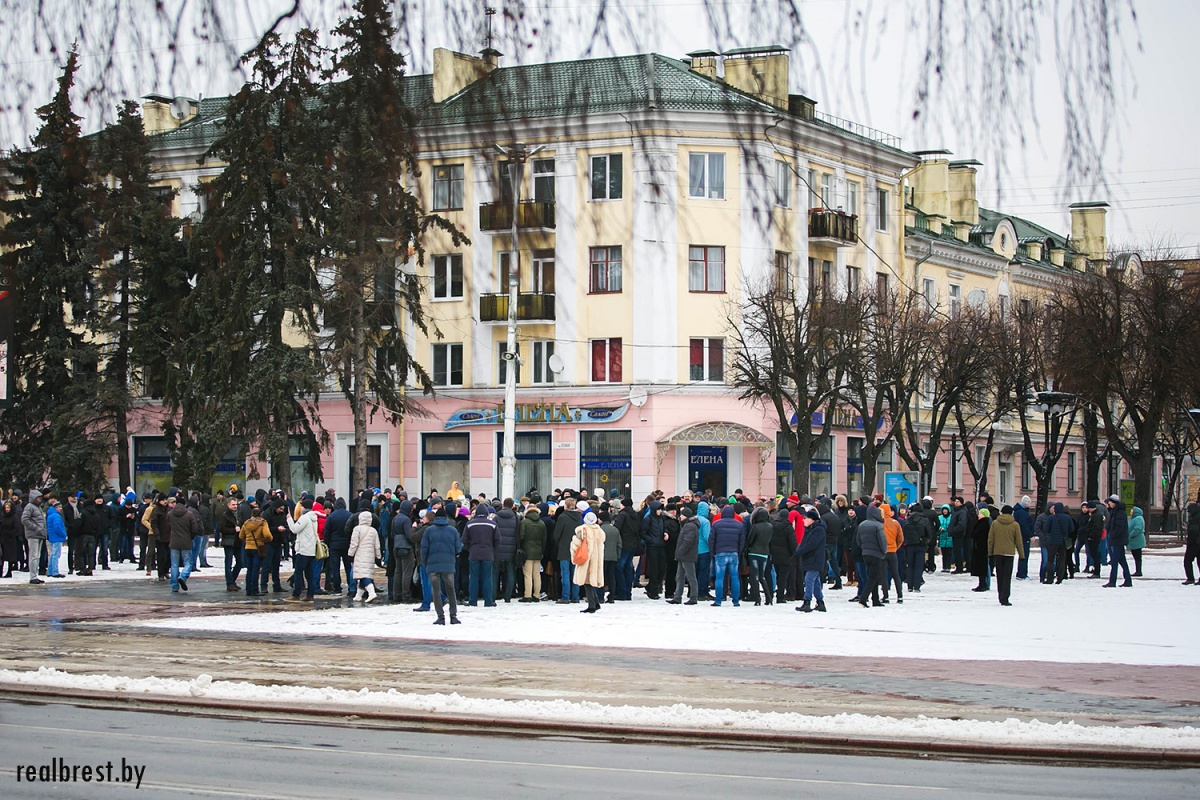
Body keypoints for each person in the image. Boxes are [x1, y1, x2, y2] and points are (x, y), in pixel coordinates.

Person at [422, 506, 462, 625]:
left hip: (432, 565)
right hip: (448, 565)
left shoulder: (428, 531)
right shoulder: (453, 530)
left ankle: (440, 617)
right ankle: (453, 616)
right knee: (451, 590)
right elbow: (458, 548)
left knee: (436, 591)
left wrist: (426, 563)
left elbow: (424, 549)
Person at [286, 498, 322, 602]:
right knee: (309, 574)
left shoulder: (304, 518)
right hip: (311, 549)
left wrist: (289, 518)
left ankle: (296, 594)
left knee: (298, 572)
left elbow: (294, 529)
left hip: (303, 549)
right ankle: (310, 595)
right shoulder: (313, 517)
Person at [570, 511, 606, 613]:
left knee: (587, 582)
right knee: (591, 581)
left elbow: (575, 544)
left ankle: (592, 605)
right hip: (596, 559)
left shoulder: (582, 530)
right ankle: (596, 602)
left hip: (585, 558)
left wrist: (573, 557)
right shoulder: (599, 531)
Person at [463, 504, 499, 607]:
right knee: (487, 578)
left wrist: (469, 549)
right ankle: (488, 601)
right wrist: (492, 550)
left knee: (474, 578)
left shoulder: (470, 524)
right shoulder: (492, 524)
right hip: (488, 553)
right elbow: (498, 539)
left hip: (474, 553)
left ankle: (472, 600)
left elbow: (464, 540)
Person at [708, 504, 744, 606]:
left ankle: (718, 600)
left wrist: (713, 553)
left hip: (720, 553)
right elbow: (742, 542)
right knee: (734, 577)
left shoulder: (716, 524)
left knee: (719, 578)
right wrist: (738, 552)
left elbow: (711, 540)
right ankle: (736, 601)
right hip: (734, 553)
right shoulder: (739, 525)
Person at [988, 505, 1024, 606]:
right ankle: (1005, 597)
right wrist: (1021, 555)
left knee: (1000, 575)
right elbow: (1018, 541)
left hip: (997, 552)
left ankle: (1000, 595)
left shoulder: (995, 523)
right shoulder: (1015, 525)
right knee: (1007, 576)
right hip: (1009, 553)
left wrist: (990, 552)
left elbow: (991, 539)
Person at [166, 495, 200, 593]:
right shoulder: (189, 514)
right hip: (186, 541)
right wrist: (191, 537)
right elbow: (194, 529)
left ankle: (174, 585)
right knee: (188, 562)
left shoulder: (170, 514)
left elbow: (168, 525)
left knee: (174, 565)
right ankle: (183, 576)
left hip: (174, 541)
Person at [795, 508, 827, 613]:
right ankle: (820, 602)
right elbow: (803, 542)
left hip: (815, 559)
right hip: (810, 558)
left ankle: (807, 601)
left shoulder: (819, 530)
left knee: (809, 579)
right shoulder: (809, 529)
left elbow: (811, 544)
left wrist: (799, 551)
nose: (803, 520)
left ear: (812, 519)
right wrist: (798, 550)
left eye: (805, 518)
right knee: (816, 582)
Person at [855, 504, 887, 608]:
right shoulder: (878, 525)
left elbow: (858, 540)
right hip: (876, 553)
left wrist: (864, 548)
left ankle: (875, 599)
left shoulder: (862, 525)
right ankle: (863, 599)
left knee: (872, 576)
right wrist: (884, 551)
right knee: (873, 577)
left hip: (865, 553)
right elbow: (882, 540)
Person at [667, 506, 699, 605]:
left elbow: (688, 541)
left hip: (687, 556)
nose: (680, 516)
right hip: (683, 555)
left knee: (691, 577)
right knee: (679, 576)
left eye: (681, 514)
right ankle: (677, 597)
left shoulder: (689, 526)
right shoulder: (687, 525)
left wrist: (680, 551)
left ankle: (693, 597)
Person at [238, 506, 272, 597]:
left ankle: (248, 589)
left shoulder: (246, 523)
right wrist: (265, 540)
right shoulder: (262, 523)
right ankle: (254, 590)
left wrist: (248, 540)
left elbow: (241, 536)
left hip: (248, 548)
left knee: (249, 569)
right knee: (255, 570)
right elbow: (268, 535)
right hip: (257, 548)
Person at [348, 510, 381, 602]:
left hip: (360, 554)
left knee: (363, 576)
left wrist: (350, 554)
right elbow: (377, 545)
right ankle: (358, 595)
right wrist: (378, 556)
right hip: (370, 555)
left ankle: (372, 593)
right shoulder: (373, 530)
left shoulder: (357, 529)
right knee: (365, 574)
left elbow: (354, 543)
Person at [745, 507, 773, 605]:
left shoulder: (755, 527)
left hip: (754, 553)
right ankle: (768, 598)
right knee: (762, 577)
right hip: (765, 553)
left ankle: (757, 599)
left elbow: (750, 540)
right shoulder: (770, 526)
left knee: (755, 576)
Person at [518, 504, 546, 602]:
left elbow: (521, 536)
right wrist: (542, 551)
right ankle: (536, 595)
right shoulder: (542, 523)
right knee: (536, 574)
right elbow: (544, 539)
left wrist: (520, 547)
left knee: (527, 574)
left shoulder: (524, 522)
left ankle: (527, 595)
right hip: (538, 551)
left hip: (527, 551)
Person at [1103, 495, 1132, 588]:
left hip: (1117, 541)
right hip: (1117, 540)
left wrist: (1112, 535)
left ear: (1114, 502)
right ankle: (1128, 580)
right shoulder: (1115, 512)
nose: (1109, 504)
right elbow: (1111, 524)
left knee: (1115, 562)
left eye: (1110, 502)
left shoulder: (1119, 513)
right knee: (1122, 561)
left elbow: (1119, 527)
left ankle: (1112, 581)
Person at [22, 490, 48, 583]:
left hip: (40, 534)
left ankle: (35, 575)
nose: (39, 499)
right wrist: (35, 528)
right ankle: (32, 576)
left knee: (37, 556)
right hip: (33, 535)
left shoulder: (38, 508)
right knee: (33, 556)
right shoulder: (29, 507)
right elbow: (24, 519)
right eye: (38, 497)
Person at [969, 507, 992, 593]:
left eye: (980, 513)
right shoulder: (982, 522)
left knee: (982, 567)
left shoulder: (984, 523)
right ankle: (982, 583)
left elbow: (976, 534)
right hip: (979, 548)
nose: (978, 515)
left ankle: (983, 584)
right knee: (981, 567)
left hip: (981, 548)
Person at [45, 497, 67, 578]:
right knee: (56, 555)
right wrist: (63, 534)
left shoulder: (50, 515)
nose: (61, 509)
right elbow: (57, 527)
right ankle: (55, 571)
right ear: (56, 508)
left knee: (52, 555)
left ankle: (50, 571)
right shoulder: (56, 516)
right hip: (57, 537)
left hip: (52, 537)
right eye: (59, 507)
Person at [1185, 492, 1200, 585]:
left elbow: (1193, 531)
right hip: (1198, 542)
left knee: (1187, 561)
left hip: (1194, 542)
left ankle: (1190, 578)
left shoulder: (1195, 518)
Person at [1127, 506, 1146, 577]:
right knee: (1136, 556)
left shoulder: (1138, 519)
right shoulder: (1133, 518)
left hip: (1137, 540)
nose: (1131, 512)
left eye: (1132, 511)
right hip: (1134, 540)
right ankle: (1138, 570)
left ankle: (1139, 571)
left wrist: (1130, 535)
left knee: (1137, 556)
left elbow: (1137, 528)